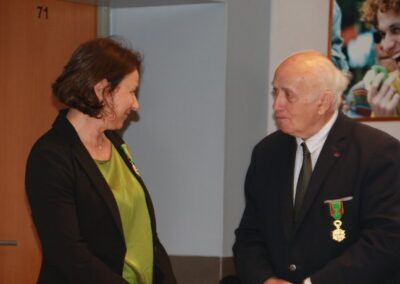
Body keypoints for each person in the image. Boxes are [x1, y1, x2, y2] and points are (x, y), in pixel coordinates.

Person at [233, 51, 400, 284]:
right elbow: (249, 235)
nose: (276, 104)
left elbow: (386, 240)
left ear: (322, 101)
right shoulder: (266, 153)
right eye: (275, 92)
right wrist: (266, 279)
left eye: (288, 95)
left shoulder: (377, 152)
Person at [25, 37, 177, 284]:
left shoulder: (117, 144)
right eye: (131, 91)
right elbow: (68, 254)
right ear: (103, 91)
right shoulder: (51, 156)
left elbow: (147, 234)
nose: (136, 105)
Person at [359, 0, 400, 116]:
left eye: (397, 30)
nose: (386, 46)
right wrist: (386, 121)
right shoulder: (388, 92)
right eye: (382, 34)